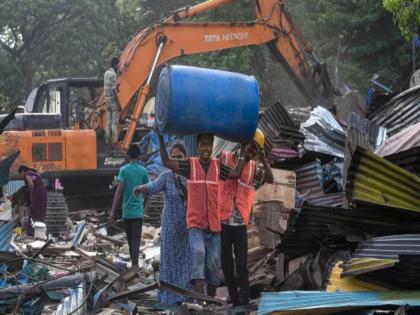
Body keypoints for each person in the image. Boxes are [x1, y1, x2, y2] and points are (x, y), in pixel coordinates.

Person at [158, 133, 251, 297]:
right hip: (196, 226)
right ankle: (201, 302)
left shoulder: (217, 167)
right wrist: (159, 137)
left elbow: (236, 174)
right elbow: (166, 162)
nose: (206, 148)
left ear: (212, 146)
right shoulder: (190, 166)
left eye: (209, 145)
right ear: (198, 147)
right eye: (203, 145)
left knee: (214, 265)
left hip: (214, 227)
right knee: (198, 257)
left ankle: (211, 300)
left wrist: (243, 151)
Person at [219, 129, 274, 308]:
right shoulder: (225, 158)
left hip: (240, 223)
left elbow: (270, 179)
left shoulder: (253, 167)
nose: (251, 154)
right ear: (243, 144)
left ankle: (244, 303)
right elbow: (234, 174)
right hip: (223, 221)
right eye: (250, 149)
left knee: (242, 266)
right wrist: (244, 153)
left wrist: (263, 159)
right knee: (227, 266)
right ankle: (234, 302)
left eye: (253, 151)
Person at [133, 142, 190, 306]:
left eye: (179, 157)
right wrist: (141, 188)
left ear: (185, 158)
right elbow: (153, 186)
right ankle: (169, 297)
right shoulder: (166, 176)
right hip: (170, 226)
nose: (176, 160)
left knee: (186, 262)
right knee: (170, 262)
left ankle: (184, 295)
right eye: (173, 157)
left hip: (187, 227)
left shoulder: (191, 176)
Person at [109, 144, 149, 270]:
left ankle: (134, 265)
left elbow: (118, 191)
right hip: (138, 212)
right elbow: (148, 190)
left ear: (128, 156)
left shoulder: (123, 170)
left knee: (130, 239)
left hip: (127, 212)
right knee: (136, 239)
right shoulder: (143, 171)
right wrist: (144, 205)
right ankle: (135, 266)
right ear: (139, 156)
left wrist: (112, 212)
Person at [18, 165, 47, 237]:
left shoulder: (27, 175)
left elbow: (31, 184)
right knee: (41, 213)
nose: (21, 176)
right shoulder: (35, 173)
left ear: (23, 171)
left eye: (20, 174)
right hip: (43, 194)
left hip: (37, 194)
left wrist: (31, 194)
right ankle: (41, 233)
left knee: (33, 213)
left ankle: (31, 233)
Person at [104, 56, 120, 145]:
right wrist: (119, 104)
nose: (118, 66)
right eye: (118, 64)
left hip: (107, 100)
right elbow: (114, 91)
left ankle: (107, 142)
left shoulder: (106, 73)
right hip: (113, 101)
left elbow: (109, 87)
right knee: (114, 123)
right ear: (115, 65)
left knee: (108, 123)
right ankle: (114, 143)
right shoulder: (113, 75)